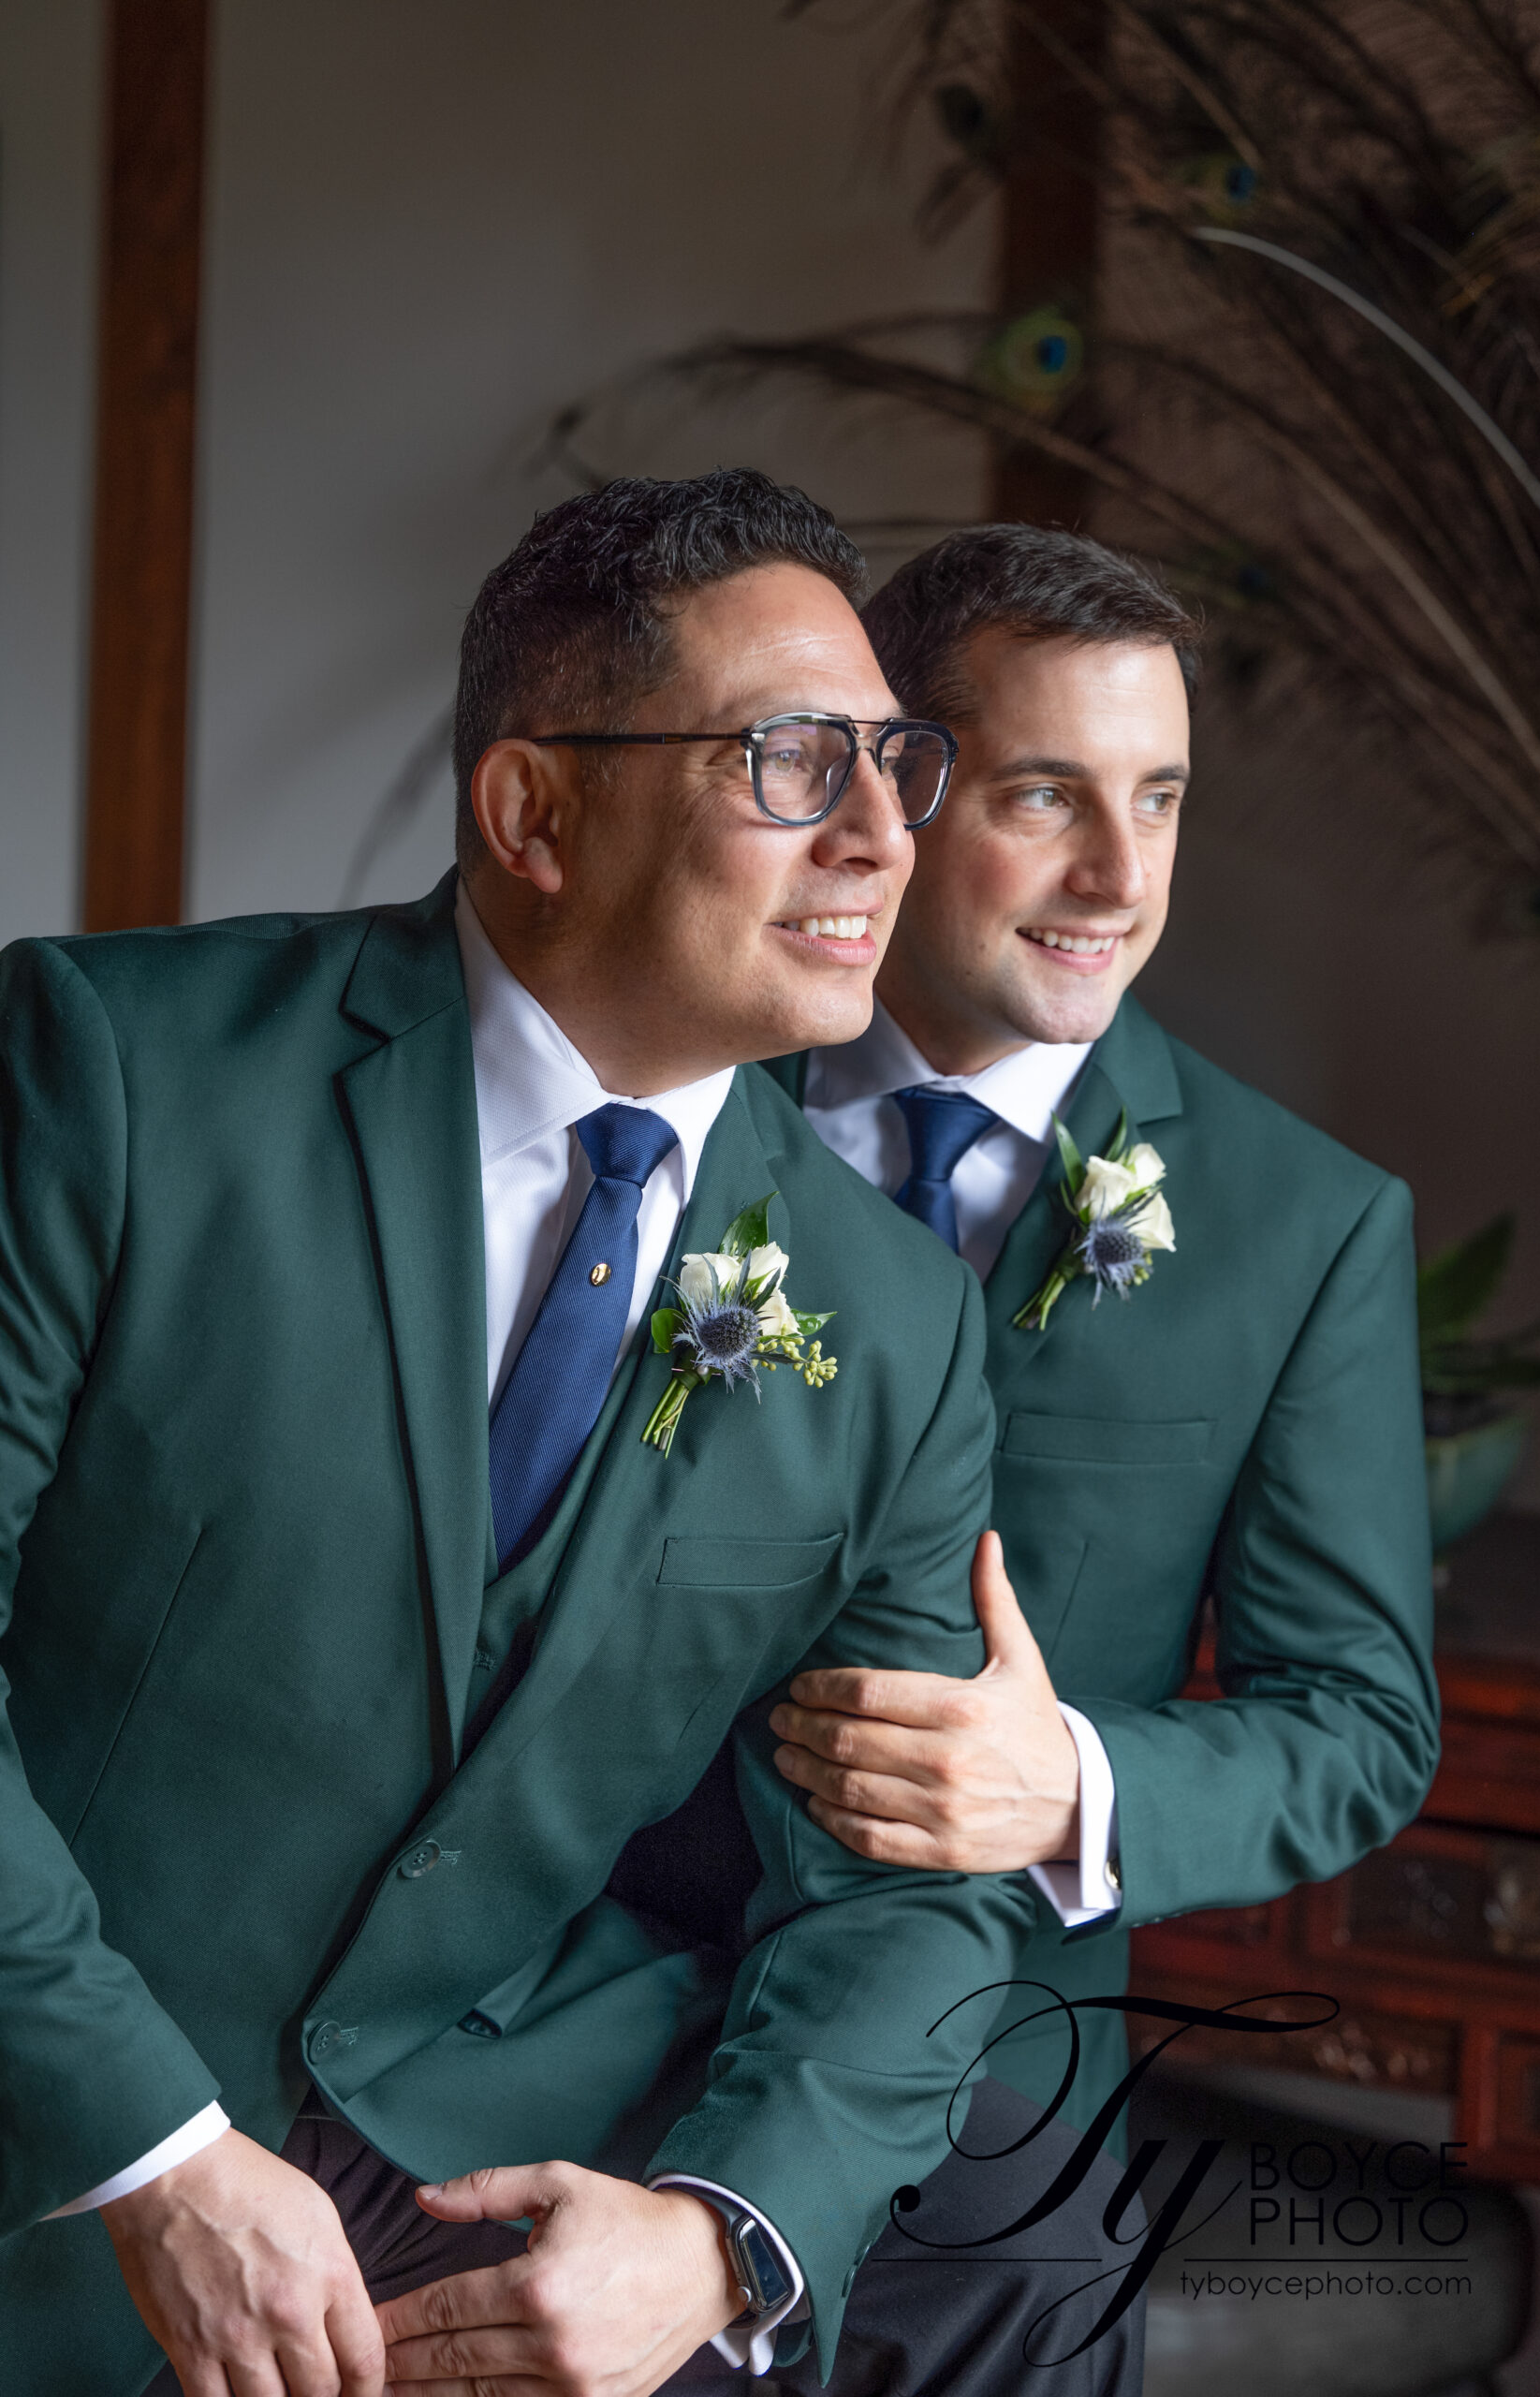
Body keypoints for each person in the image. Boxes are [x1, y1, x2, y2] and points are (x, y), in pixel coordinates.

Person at [0, 479, 1137, 2397]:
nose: (883, 829)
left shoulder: (893, 1318)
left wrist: (718, 2234)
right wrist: (153, 2146)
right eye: (793, 761)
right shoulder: (111, 1074)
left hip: (469, 2158)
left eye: (898, 759)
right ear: (533, 811)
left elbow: (902, 1885)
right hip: (61, 2109)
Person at [762, 523, 1441, 2136]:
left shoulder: (1307, 1225)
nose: (1121, 884)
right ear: (897, 794)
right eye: (1049, 796)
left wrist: (1070, 1784)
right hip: (557, 2017)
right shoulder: (672, 1113)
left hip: (990, 2087)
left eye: (1160, 800)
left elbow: (1357, 1725)